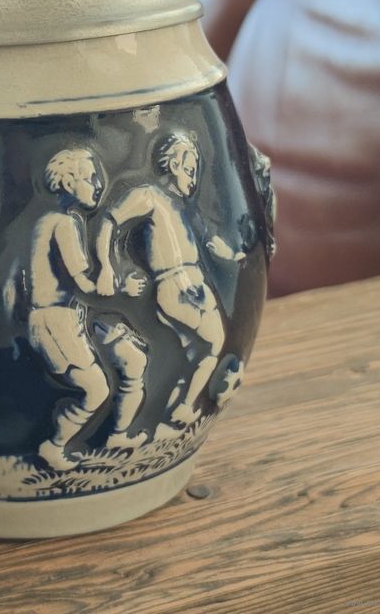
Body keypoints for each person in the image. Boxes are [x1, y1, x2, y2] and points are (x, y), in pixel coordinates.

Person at [96, 132, 244, 429]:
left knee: (198, 350)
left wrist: (233, 254)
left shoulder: (184, 208)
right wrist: (107, 267)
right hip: (175, 285)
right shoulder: (149, 196)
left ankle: (170, 412)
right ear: (174, 165)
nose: (193, 179)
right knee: (211, 344)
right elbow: (109, 220)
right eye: (189, 170)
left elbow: (210, 239)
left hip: (195, 283)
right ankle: (182, 408)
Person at [28, 148, 145, 470]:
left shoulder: (49, 221)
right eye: (91, 178)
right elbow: (84, 286)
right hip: (56, 321)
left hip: (68, 317)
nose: (99, 184)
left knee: (131, 357)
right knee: (95, 390)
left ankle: (118, 434)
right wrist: (123, 289)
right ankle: (54, 446)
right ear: (69, 183)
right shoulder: (64, 224)